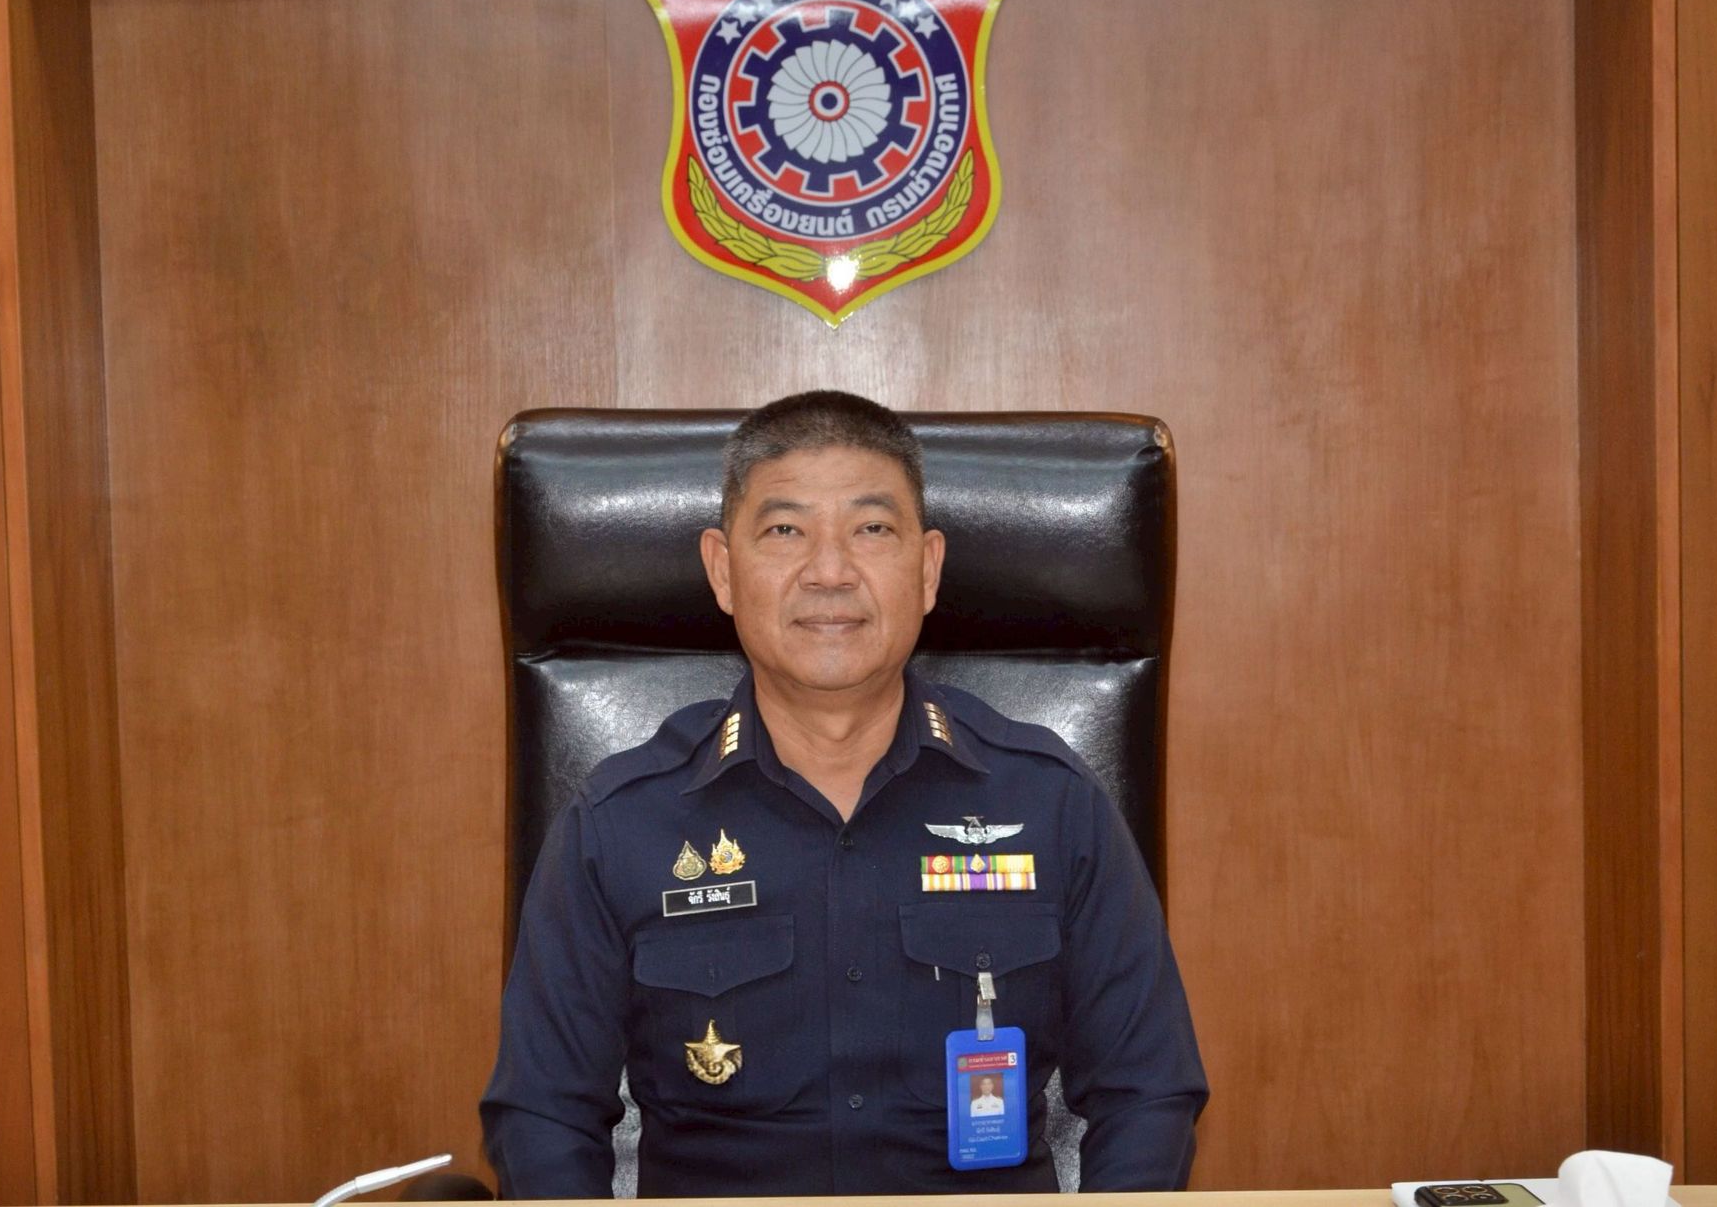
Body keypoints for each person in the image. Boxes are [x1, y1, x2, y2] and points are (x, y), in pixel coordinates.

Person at [481, 391, 1207, 1197]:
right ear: (722, 570)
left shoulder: (1051, 803)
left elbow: (1148, 1091)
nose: (829, 572)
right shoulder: (620, 825)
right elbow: (543, 1115)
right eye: (785, 531)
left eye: (871, 529)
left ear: (927, 568)